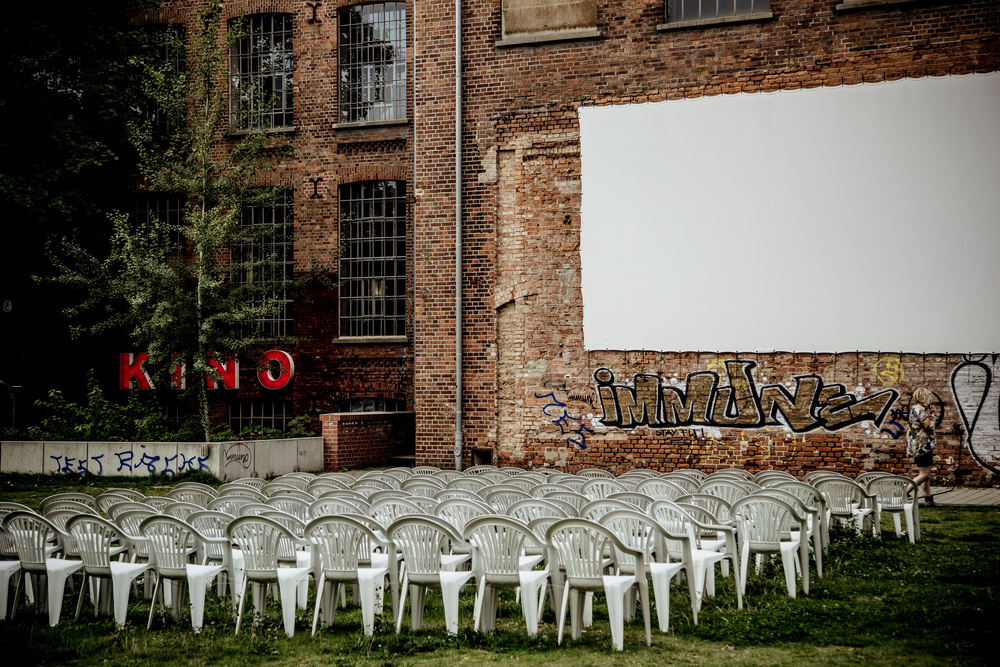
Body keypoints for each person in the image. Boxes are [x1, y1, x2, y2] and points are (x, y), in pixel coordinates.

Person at [907, 387, 938, 506]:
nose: (930, 400)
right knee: (925, 474)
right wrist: (933, 414)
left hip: (918, 445)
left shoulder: (915, 409)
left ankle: (928, 499)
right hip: (922, 445)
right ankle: (904, 492)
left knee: (926, 475)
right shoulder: (921, 411)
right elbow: (930, 427)